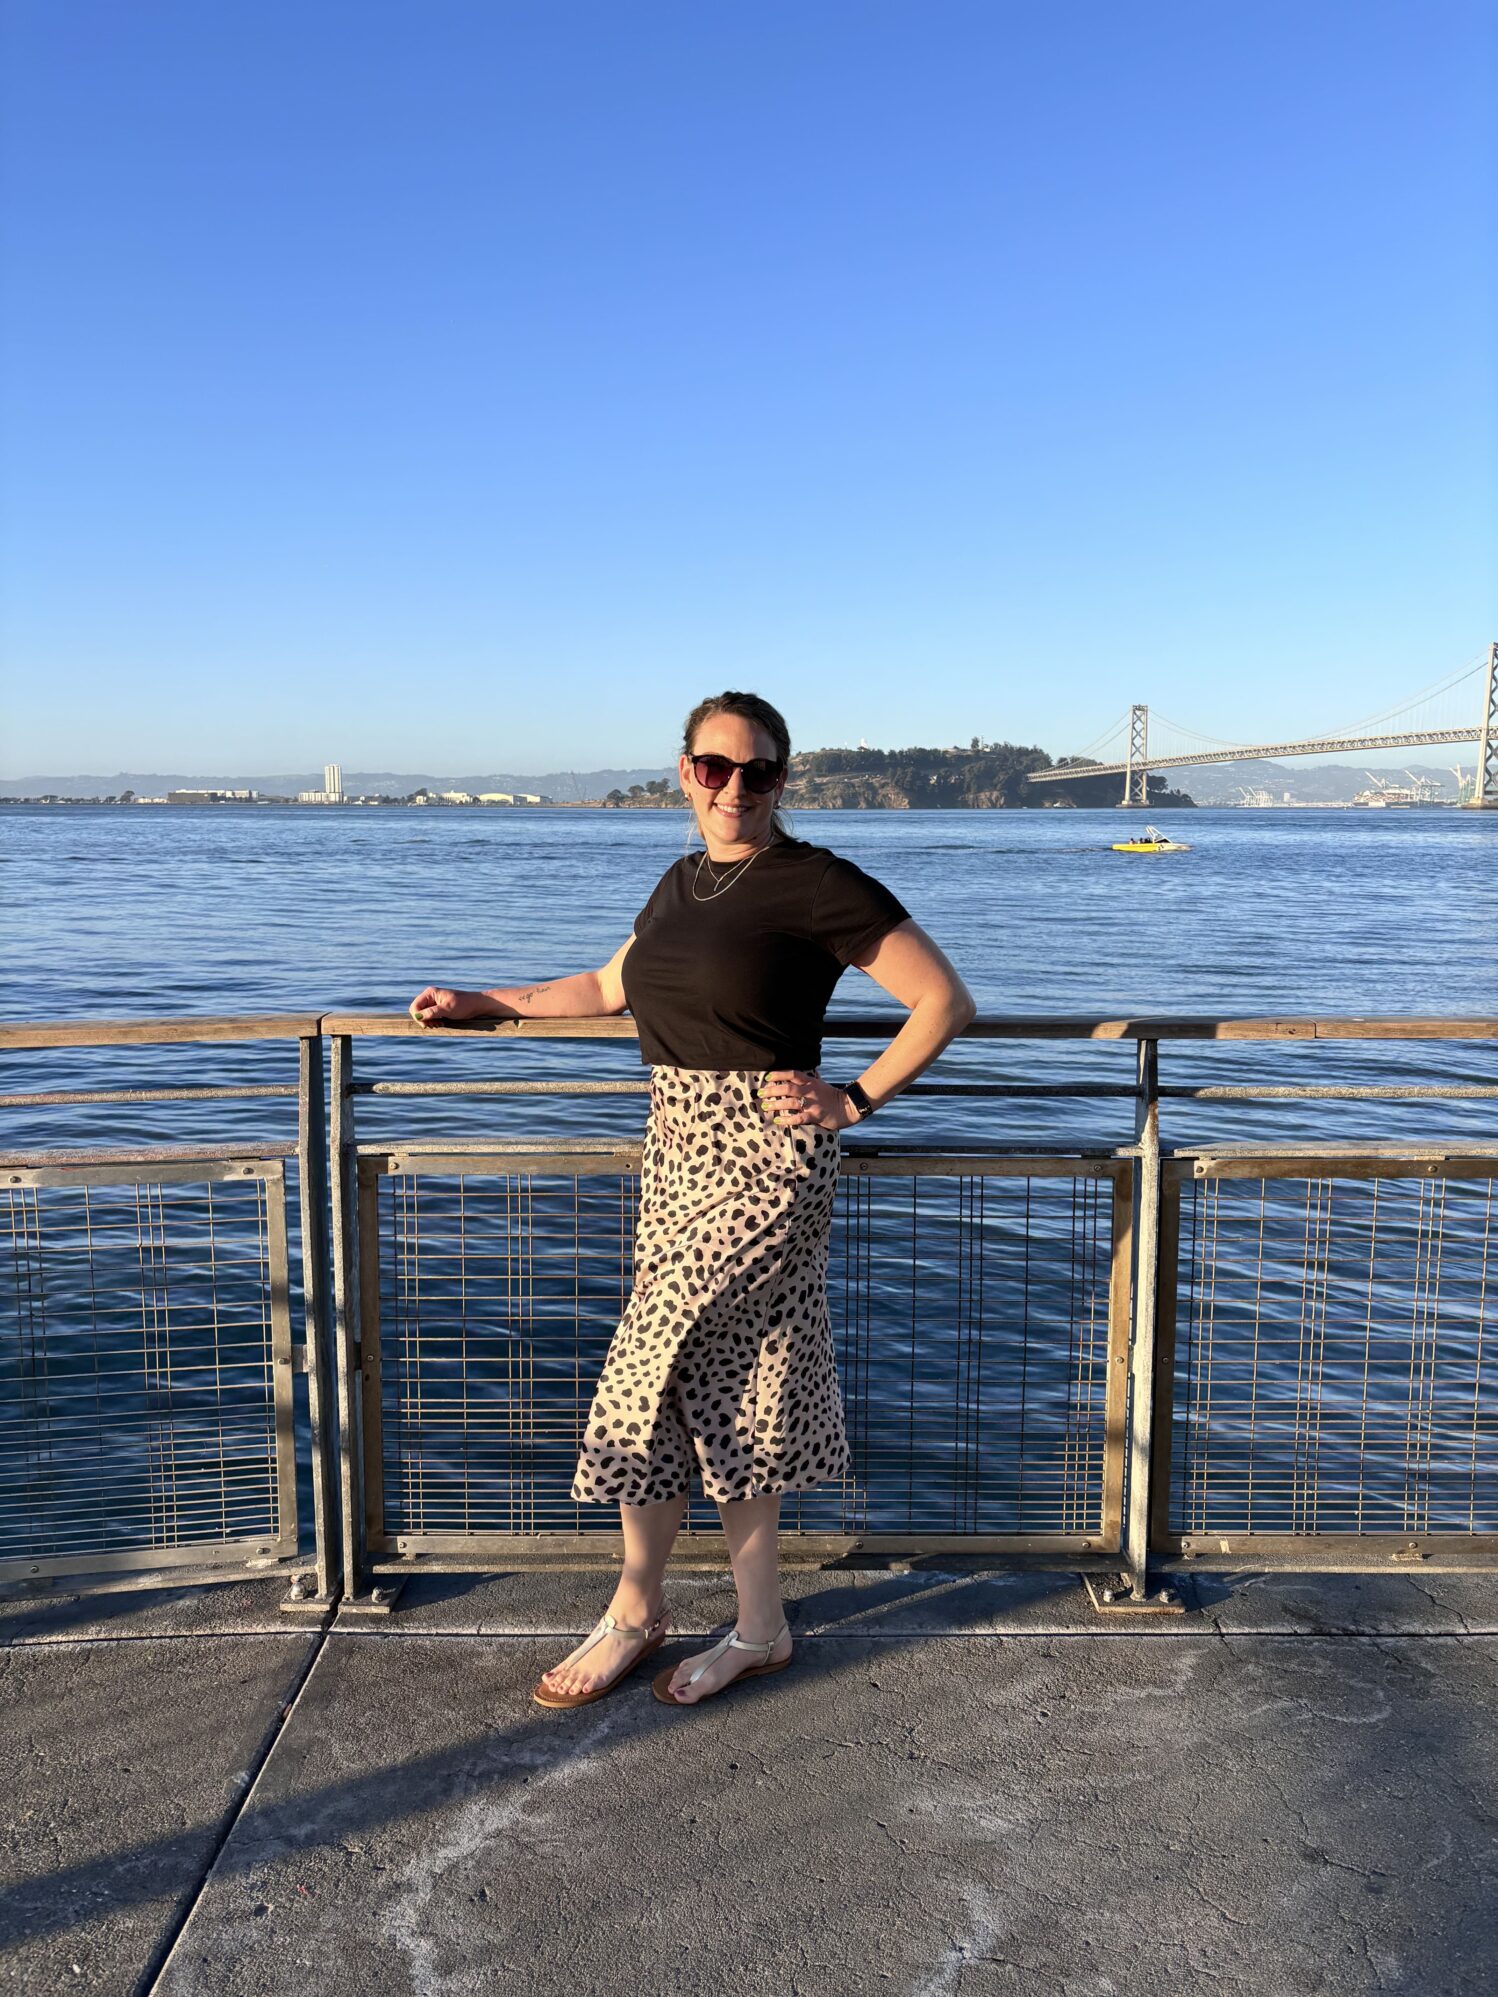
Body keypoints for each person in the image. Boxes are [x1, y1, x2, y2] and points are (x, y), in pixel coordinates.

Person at [408, 691, 975, 1709]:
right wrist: (483, 1000)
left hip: (766, 1157)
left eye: (758, 772)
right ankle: (758, 1626)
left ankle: (636, 1607)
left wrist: (853, 1095)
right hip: (672, 1156)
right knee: (725, 1383)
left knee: (645, 1359)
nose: (735, 789)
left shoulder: (816, 880)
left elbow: (943, 999)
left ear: (782, 782)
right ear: (685, 772)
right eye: (716, 768)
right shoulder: (679, 883)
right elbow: (601, 986)